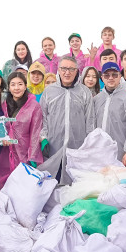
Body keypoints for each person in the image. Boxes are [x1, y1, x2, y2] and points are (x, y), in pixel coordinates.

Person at [39, 56, 96, 184]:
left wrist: (88, 145)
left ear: (77, 71)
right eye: (64, 68)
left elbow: (90, 120)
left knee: (74, 186)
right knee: (52, 184)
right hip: (53, 148)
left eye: (71, 69)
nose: (67, 72)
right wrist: (43, 138)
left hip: (77, 148)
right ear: (58, 70)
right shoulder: (49, 91)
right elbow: (42, 118)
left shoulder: (84, 92)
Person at [0, 71, 44, 187]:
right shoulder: (3, 105)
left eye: (20, 84)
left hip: (24, 153)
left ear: (25, 86)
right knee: (5, 186)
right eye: (13, 84)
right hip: (5, 154)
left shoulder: (34, 106)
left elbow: (35, 132)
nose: (16, 88)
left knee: (23, 187)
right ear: (8, 87)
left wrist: (33, 156)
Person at [93, 62, 126, 167]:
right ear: (102, 78)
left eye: (114, 75)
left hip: (121, 152)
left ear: (120, 76)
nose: (111, 78)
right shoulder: (97, 99)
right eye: (107, 75)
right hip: (99, 151)